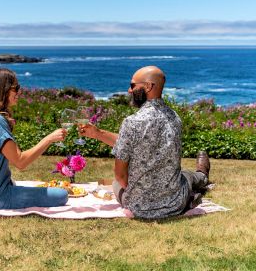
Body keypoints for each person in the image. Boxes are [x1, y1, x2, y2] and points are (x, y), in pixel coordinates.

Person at [80, 66, 210, 219]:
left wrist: (141, 190)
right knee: (186, 177)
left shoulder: (132, 122)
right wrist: (97, 134)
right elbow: (139, 142)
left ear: (148, 87)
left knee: (116, 183)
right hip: (175, 203)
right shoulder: (175, 118)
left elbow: (120, 175)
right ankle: (202, 175)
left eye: (133, 85)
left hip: (138, 207)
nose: (129, 90)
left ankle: (201, 175)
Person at [0, 68, 69, 209]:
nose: (19, 92)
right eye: (16, 88)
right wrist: (49, 139)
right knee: (61, 195)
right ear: (4, 90)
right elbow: (20, 162)